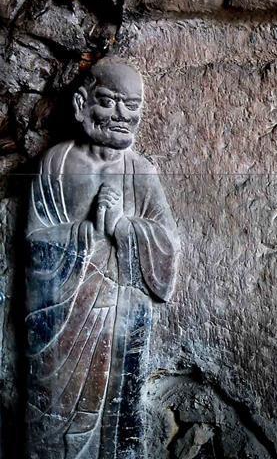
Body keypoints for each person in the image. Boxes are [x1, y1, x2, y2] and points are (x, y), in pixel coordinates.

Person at [26, 60, 180, 458]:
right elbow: (34, 243)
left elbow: (167, 247)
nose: (121, 115)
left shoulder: (140, 171)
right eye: (109, 102)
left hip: (120, 319)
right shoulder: (57, 163)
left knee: (118, 417)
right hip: (62, 321)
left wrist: (122, 226)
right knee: (52, 422)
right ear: (81, 104)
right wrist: (86, 232)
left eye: (132, 105)